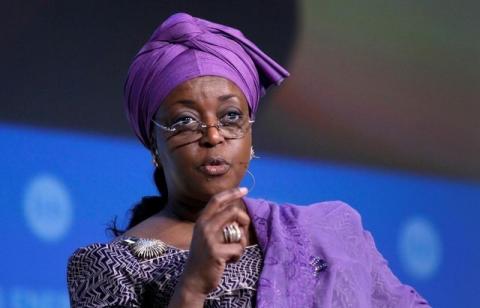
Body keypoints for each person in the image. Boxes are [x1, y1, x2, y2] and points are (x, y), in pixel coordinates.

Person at [67, 12, 430, 307]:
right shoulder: (108, 266)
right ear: (154, 144)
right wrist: (192, 286)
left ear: (250, 135)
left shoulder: (331, 232)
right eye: (185, 121)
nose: (212, 136)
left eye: (230, 117)